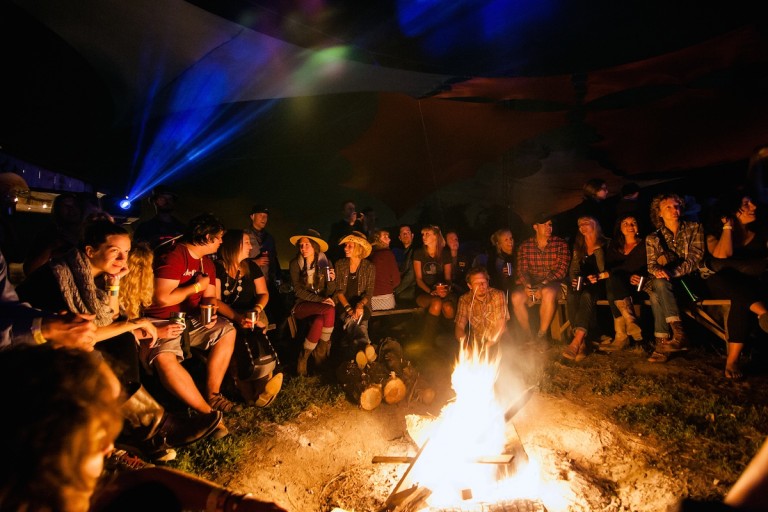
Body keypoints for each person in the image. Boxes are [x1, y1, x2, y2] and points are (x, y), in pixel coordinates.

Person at [16, 222, 221, 458]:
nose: (123, 259)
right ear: (90, 251)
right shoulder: (60, 278)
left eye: (126, 251)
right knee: (115, 342)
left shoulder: (95, 276)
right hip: (28, 349)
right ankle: (150, 429)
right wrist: (135, 323)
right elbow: (82, 333)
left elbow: (110, 317)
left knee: (122, 339)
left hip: (66, 342)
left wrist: (114, 284)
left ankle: (141, 432)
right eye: (115, 251)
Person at [0, 345, 286, 512]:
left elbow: (140, 481)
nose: (109, 447)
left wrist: (236, 504)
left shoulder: (62, 489)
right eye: (98, 436)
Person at [143, 213, 242, 423]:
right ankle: (205, 413)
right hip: (160, 319)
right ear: (206, 237)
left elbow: (211, 297)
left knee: (226, 330)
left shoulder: (207, 263)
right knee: (165, 357)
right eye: (219, 237)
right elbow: (162, 298)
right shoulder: (174, 255)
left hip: (190, 318)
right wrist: (196, 286)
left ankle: (213, 395)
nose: (221, 242)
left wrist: (209, 312)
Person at [703, 191, 768, 379]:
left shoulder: (761, 233)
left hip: (750, 287)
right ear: (731, 210)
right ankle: (764, 313)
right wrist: (728, 226)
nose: (753, 207)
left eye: (752, 203)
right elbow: (722, 256)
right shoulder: (713, 235)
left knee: (740, 300)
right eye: (746, 204)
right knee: (723, 277)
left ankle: (732, 361)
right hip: (723, 285)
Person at [215, 229, 282, 406]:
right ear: (234, 245)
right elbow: (216, 301)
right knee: (236, 347)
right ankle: (249, 395)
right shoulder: (217, 268)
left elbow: (263, 293)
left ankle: (262, 388)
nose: (251, 246)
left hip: (251, 311)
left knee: (259, 336)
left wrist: (257, 309)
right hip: (227, 314)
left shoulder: (251, 266)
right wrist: (238, 318)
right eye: (246, 242)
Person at [645, 193, 705, 363]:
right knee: (658, 287)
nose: (674, 210)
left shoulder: (695, 228)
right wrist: (658, 271)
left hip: (689, 282)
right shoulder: (653, 238)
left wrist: (671, 273)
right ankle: (678, 335)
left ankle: (662, 345)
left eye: (677, 206)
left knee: (657, 290)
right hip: (665, 284)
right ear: (659, 213)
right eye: (668, 207)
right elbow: (651, 265)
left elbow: (695, 258)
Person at [0, 249, 96, 350]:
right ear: (90, 251)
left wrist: (55, 321)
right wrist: (45, 329)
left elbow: (8, 305)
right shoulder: (61, 274)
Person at [510, 213, 570, 344]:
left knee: (547, 292)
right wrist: (527, 285)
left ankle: (541, 336)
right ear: (535, 227)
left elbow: (561, 270)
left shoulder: (560, 244)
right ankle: (528, 336)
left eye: (550, 225)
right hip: (533, 283)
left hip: (554, 283)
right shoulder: (525, 246)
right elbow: (522, 269)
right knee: (516, 297)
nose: (549, 227)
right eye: (545, 225)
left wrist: (543, 284)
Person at [288, 229, 336, 376]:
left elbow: (330, 290)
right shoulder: (295, 264)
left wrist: (332, 280)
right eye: (301, 245)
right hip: (301, 306)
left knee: (320, 320)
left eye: (307, 245)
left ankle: (304, 358)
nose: (303, 248)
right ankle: (321, 355)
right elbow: (298, 291)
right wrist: (321, 300)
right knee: (330, 309)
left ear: (315, 246)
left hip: (320, 308)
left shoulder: (324, 262)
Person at [562, 216, 609, 361]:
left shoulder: (606, 243)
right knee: (572, 294)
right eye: (580, 224)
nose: (582, 226)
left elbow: (604, 269)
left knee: (587, 295)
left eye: (586, 223)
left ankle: (576, 342)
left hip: (601, 283)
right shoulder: (579, 246)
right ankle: (582, 343)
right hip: (583, 283)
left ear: (595, 224)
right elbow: (574, 270)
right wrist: (575, 279)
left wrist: (597, 250)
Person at [600, 214, 647, 352]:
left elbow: (635, 265)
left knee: (612, 281)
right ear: (620, 228)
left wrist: (634, 275)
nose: (630, 226)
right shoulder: (614, 246)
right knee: (612, 281)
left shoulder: (644, 244)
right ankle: (630, 320)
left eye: (633, 223)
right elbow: (609, 267)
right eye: (625, 223)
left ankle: (621, 336)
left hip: (638, 286)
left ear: (638, 226)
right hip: (618, 288)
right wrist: (613, 273)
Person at [333, 231, 376, 354]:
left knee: (355, 322)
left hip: (362, 304)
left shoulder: (369, 267)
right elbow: (339, 291)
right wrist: (349, 309)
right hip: (343, 303)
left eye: (350, 246)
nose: (345, 248)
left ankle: (354, 353)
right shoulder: (340, 264)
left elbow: (369, 292)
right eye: (345, 245)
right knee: (357, 323)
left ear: (359, 248)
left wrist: (360, 305)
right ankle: (365, 347)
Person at [23, 191, 84, 276]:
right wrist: (51, 248)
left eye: (75, 205)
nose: (72, 209)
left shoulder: (87, 234)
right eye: (66, 206)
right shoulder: (48, 235)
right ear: (58, 210)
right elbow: (30, 270)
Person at [414, 224, 454, 343]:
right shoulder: (419, 253)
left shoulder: (445, 253)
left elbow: (448, 278)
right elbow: (418, 279)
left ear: (436, 236)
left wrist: (446, 290)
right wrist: (431, 291)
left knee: (448, 307)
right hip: (424, 292)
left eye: (427, 234)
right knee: (436, 302)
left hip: (442, 292)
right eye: (423, 234)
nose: (424, 237)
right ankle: (427, 340)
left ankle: (451, 337)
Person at [454, 266, 509, 349]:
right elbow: (459, 327)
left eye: (483, 282)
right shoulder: (464, 300)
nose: (481, 286)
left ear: (488, 282)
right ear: (470, 286)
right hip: (477, 341)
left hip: (499, 339)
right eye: (476, 283)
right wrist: (465, 345)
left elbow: (501, 325)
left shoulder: (498, 295)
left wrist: (488, 345)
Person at [244, 204, 283, 321]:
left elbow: (274, 259)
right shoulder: (244, 236)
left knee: (275, 311)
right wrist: (254, 262)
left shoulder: (269, 238)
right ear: (252, 216)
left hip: (267, 280)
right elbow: (236, 259)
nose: (264, 218)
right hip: (249, 281)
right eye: (260, 215)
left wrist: (278, 277)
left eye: (266, 216)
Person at [132, 185, 186, 261]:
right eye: (162, 199)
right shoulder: (144, 228)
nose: (167, 202)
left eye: (170, 199)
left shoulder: (182, 228)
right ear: (154, 201)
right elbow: (137, 253)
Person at [472, 228, 516, 299]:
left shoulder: (518, 254)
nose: (510, 242)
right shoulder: (495, 261)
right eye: (506, 240)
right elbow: (495, 280)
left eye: (511, 238)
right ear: (499, 244)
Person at [368, 228, 400, 311]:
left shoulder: (369, 256)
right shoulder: (388, 254)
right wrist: (387, 287)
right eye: (385, 237)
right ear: (377, 240)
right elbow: (396, 280)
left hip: (369, 298)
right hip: (385, 299)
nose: (389, 239)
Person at [392, 224, 417, 304]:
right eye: (403, 233)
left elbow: (411, 275)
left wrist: (395, 291)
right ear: (400, 237)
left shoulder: (415, 252)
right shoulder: (401, 253)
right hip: (405, 287)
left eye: (408, 232)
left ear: (412, 235)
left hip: (414, 288)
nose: (405, 235)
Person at [445, 230, 471, 296]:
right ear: (445, 243)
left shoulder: (464, 257)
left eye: (456, 239)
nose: (455, 241)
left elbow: (469, 274)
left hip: (462, 289)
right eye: (451, 239)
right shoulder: (442, 258)